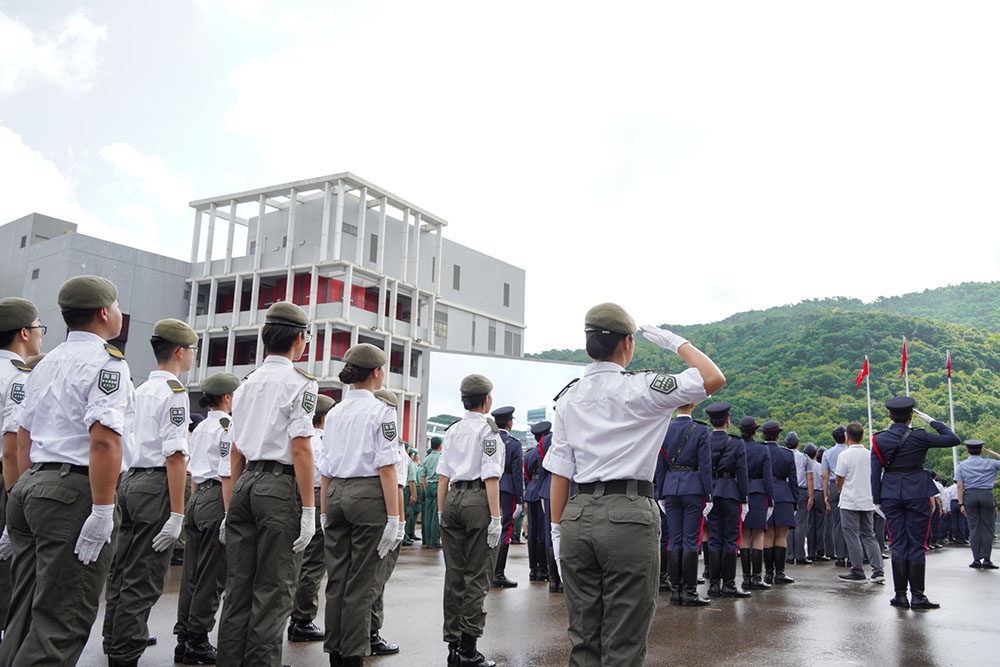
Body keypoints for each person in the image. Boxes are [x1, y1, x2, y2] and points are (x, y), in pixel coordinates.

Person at [545, 305, 724, 667]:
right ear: (628, 343)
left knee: (583, 636)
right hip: (629, 514)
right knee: (624, 638)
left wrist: (556, 530)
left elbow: (560, 472)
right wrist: (674, 341)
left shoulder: (568, 397)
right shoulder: (643, 387)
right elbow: (712, 377)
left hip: (577, 515)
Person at [1, 276, 135, 665]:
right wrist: (103, 509)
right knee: (62, 619)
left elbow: (22, 440)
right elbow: (105, 441)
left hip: (30, 486)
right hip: (72, 492)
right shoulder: (107, 363)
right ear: (104, 312)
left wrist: (22, 493)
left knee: (25, 611)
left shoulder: (45, 363)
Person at [217, 302, 319, 666]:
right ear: (298, 339)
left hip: (245, 484)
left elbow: (234, 453)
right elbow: (302, 449)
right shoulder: (301, 383)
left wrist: (230, 509)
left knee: (239, 589)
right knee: (273, 592)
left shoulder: (245, 384)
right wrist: (308, 509)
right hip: (279, 488)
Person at [103, 318, 196, 665]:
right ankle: (126, 650)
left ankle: (116, 636)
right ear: (179, 352)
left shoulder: (140, 389)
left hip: (130, 480)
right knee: (143, 575)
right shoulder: (175, 393)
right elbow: (174, 455)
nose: (192, 357)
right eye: (191, 351)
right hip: (155, 484)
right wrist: (176, 512)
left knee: (123, 567)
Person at [319, 343, 402, 667]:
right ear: (377, 372)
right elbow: (386, 466)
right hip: (368, 495)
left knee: (337, 578)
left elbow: (325, 465)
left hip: (336, 493)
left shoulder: (335, 412)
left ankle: (335, 653)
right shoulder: (383, 411)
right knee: (362, 581)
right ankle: (353, 655)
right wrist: (395, 518)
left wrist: (325, 509)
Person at [437, 374, 505, 667]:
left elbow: (443, 476)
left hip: (452, 498)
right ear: (486, 400)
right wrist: (496, 517)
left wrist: (441, 511)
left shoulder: (452, 430)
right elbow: (491, 477)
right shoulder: (489, 432)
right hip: (478, 500)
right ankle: (468, 648)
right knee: (477, 574)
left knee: (455, 574)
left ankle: (453, 645)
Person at [174, 372, 239, 664]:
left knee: (192, 573)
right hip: (216, 498)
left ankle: (185, 636)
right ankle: (198, 638)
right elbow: (226, 473)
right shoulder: (227, 426)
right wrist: (228, 514)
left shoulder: (200, 428)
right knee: (213, 575)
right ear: (227, 398)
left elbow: (194, 473)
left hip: (199, 495)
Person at [871, 396, 960, 609]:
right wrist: (931, 420)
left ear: (890, 416)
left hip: (891, 493)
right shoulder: (920, 437)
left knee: (898, 544)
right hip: (917, 492)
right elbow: (953, 439)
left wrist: (876, 500)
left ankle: (900, 596)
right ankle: (918, 596)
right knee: (917, 544)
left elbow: (874, 472)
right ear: (911, 416)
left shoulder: (878, 439)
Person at [0, 297, 45, 620]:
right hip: (5, 476)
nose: (41, 334)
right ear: (24, 333)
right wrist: (14, 497)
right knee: (9, 573)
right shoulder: (17, 376)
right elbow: (11, 444)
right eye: (38, 327)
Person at [288, 393, 336, 642]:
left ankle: (291, 615)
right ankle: (302, 619)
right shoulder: (326, 441)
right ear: (325, 417)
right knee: (314, 562)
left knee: (294, 559)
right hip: (318, 497)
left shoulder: (300, 438)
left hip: (293, 495)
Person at [367, 388, 407, 657]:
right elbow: (398, 486)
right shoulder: (394, 444)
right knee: (376, 578)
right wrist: (399, 522)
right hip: (379, 510)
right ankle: (371, 633)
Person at [660, 402, 712, 606]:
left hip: (671, 487)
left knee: (674, 539)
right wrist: (708, 494)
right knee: (691, 541)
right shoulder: (700, 430)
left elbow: (660, 462)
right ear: (692, 405)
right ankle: (689, 592)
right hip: (693, 487)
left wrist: (661, 492)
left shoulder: (666, 429)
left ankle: (675, 592)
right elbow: (705, 465)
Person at [705, 402, 750, 599]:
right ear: (728, 420)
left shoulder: (704, 440)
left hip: (712, 493)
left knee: (715, 536)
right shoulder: (736, 443)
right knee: (731, 538)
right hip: (731, 492)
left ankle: (714, 585)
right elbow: (742, 473)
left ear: (710, 421)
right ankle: (729, 584)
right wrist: (744, 498)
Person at [834, 422, 884, 582]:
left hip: (849, 501)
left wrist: (843, 490)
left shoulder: (844, 455)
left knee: (852, 535)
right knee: (869, 534)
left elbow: (839, 479)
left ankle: (857, 569)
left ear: (847, 437)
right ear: (862, 436)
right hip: (867, 500)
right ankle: (878, 570)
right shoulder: (870, 455)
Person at [737, 416, 775, 591]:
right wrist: (771, 499)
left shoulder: (737, 445)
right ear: (755, 431)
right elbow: (768, 477)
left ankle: (745, 578)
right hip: (759, 492)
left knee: (744, 534)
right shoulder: (762, 449)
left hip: (741, 491)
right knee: (758, 534)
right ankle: (756, 577)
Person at [491, 405, 524, 588]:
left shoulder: (489, 439)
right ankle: (498, 574)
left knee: (490, 526)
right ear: (510, 424)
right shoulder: (514, 443)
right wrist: (519, 500)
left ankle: (489, 571)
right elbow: (518, 473)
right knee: (506, 530)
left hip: (490, 485)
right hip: (508, 488)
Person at [761, 421, 796, 585]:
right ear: (778, 435)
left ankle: (768, 573)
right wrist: (795, 501)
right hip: (783, 494)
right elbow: (794, 481)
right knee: (781, 536)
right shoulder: (787, 454)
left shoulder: (760, 450)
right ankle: (780, 573)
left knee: (767, 536)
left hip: (764, 494)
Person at [955, 440, 1000, 569]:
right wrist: (992, 453)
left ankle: (976, 559)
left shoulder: (962, 465)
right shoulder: (990, 463)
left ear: (968, 451)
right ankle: (987, 559)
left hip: (970, 496)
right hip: (987, 495)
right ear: (981, 451)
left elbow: (959, 486)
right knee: (988, 529)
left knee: (974, 528)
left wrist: (961, 504)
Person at [523, 422, 549, 582]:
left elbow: (526, 474)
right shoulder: (546, 451)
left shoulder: (530, 453)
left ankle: (533, 569)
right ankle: (542, 569)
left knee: (532, 531)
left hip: (531, 491)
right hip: (542, 490)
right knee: (542, 532)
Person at [822, 425, 849, 566]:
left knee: (836, 523)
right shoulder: (849, 451)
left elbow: (824, 476)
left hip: (833, 485)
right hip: (848, 485)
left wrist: (826, 495)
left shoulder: (827, 453)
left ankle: (839, 556)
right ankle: (851, 555)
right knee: (851, 523)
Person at [787, 432, 814, 565]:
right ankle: (800, 555)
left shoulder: (784, 455)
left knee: (788, 523)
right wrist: (811, 496)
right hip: (801, 491)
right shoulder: (805, 458)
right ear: (798, 444)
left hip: (787, 490)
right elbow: (809, 478)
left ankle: (789, 555)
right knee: (801, 523)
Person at [803, 442, 827, 561]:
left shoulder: (804, 466)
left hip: (808, 493)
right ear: (816, 454)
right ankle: (820, 551)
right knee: (820, 524)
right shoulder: (819, 466)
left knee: (809, 524)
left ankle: (810, 552)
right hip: (819, 493)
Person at [422, 437, 443, 548]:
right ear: (440, 445)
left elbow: (422, 475)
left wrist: (425, 487)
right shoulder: (441, 457)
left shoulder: (426, 458)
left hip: (429, 485)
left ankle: (426, 539)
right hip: (438, 485)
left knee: (428, 514)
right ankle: (434, 540)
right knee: (436, 513)